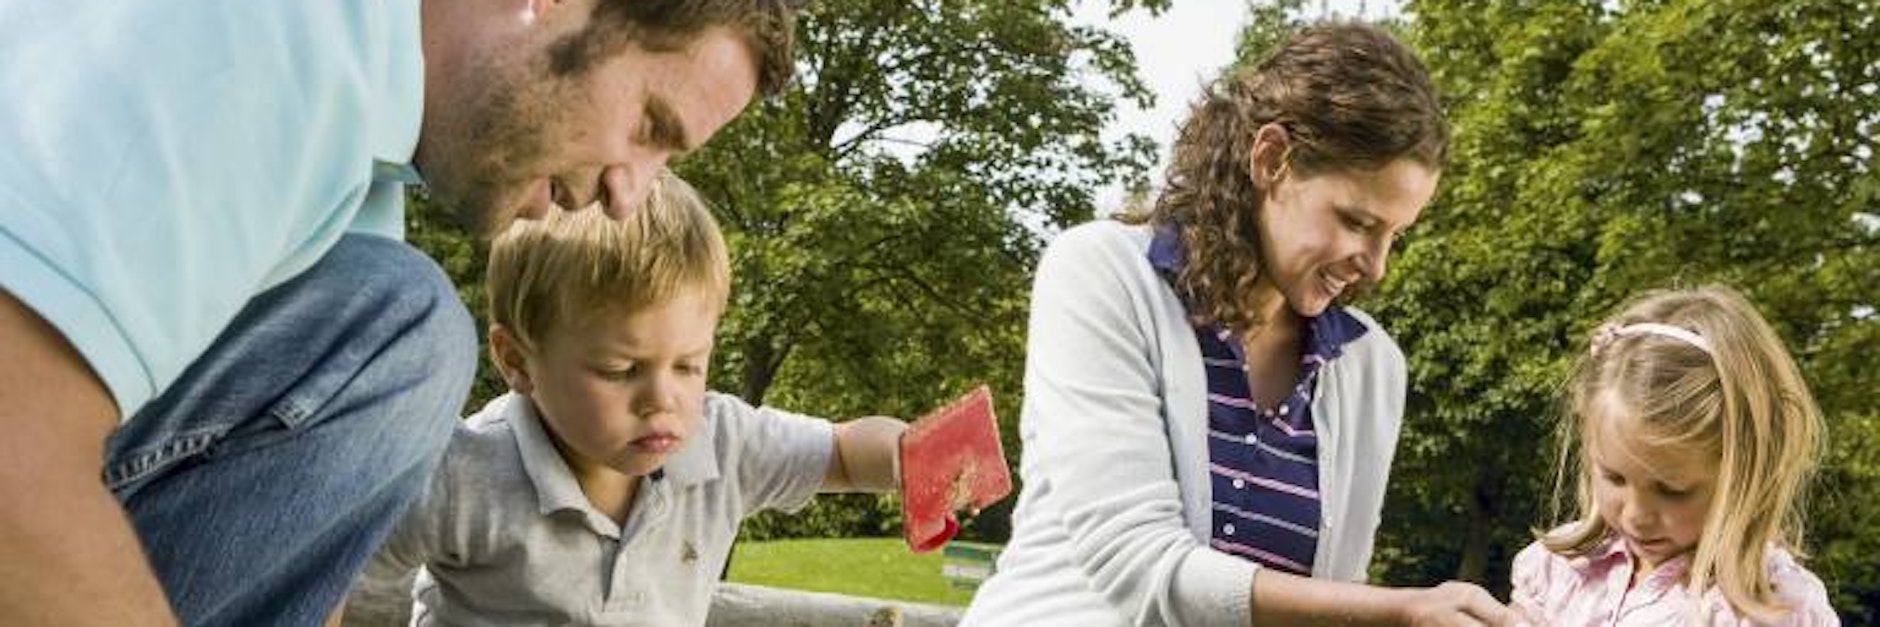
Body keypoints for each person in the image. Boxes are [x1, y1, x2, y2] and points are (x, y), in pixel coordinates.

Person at [0, 1, 798, 625]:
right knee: (411, 328)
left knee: (397, 331)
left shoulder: (359, 176)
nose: (632, 193)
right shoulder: (271, 34)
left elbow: (302, 566)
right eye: (650, 126)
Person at [962, 22, 1526, 626]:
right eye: (1357, 222)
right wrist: (1400, 611)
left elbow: (1333, 596)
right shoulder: (1103, 274)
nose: (1377, 265)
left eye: (1395, 234)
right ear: (1271, 158)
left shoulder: (1371, 365)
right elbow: (1136, 563)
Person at [346, 172, 910, 626]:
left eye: (689, 365)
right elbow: (345, 571)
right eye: (621, 370)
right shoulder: (463, 474)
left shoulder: (724, 442)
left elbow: (841, 451)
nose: (663, 398)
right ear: (517, 360)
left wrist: (914, 457)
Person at [1510, 286, 1838, 625]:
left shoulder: (1773, 608)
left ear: (1745, 472)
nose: (1636, 516)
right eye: (1614, 477)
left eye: (1672, 491)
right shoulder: (1561, 569)